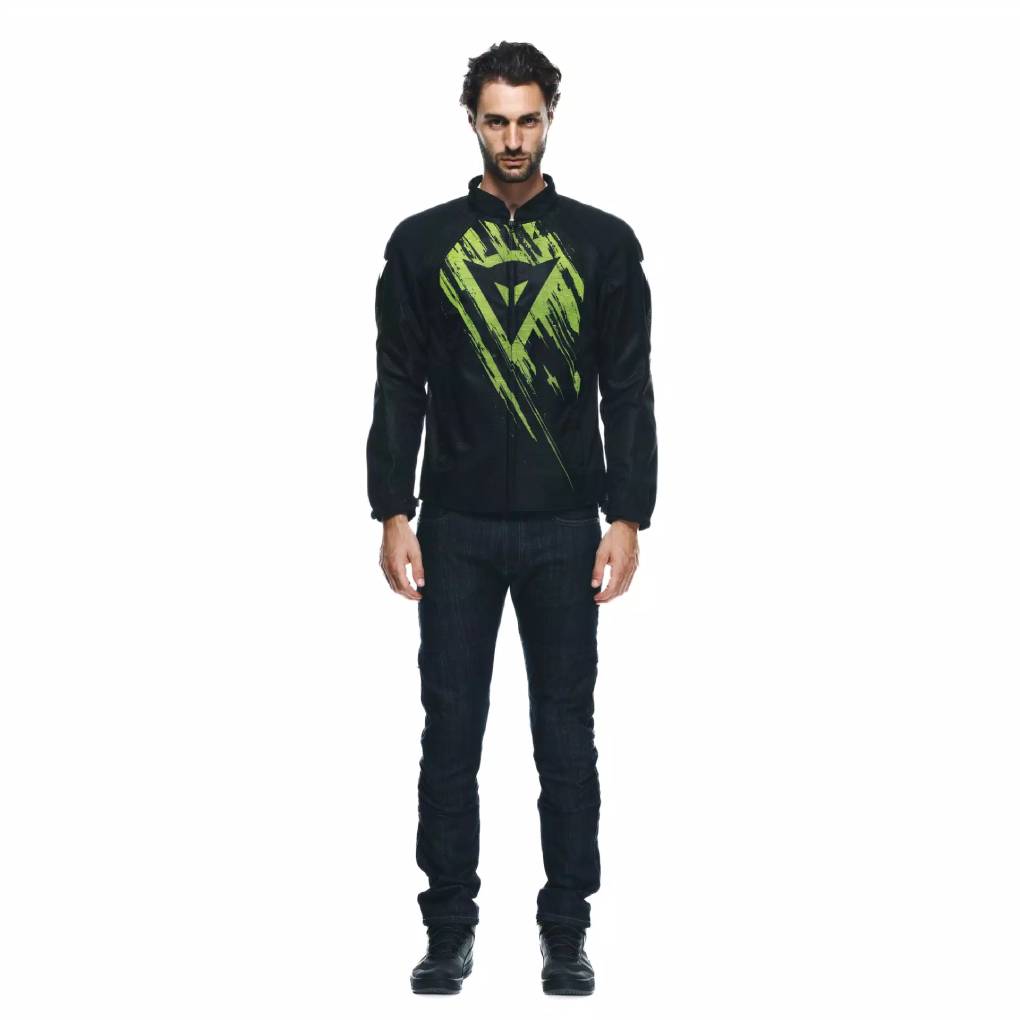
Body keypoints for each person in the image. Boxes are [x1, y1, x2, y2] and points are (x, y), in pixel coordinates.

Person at [366, 40, 657, 996]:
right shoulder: (422, 245)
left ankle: (566, 930)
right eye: (497, 120)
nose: (514, 138)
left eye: (528, 119)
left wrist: (629, 514)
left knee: (565, 736)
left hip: (566, 527)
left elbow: (628, 387)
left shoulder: (603, 244)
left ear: (550, 119)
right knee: (450, 732)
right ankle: (448, 928)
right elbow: (399, 383)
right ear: (473, 122)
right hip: (452, 528)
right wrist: (392, 508)